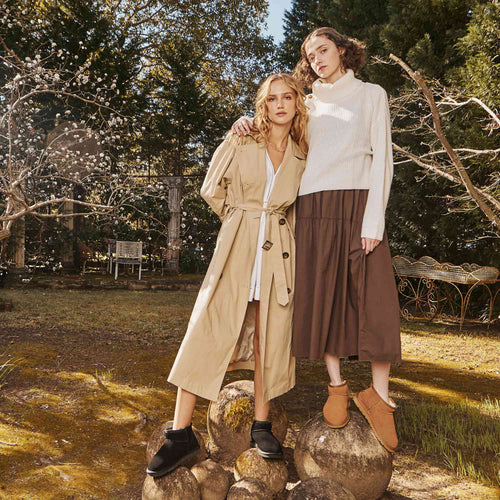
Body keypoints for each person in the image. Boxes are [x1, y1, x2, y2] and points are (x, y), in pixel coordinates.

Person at [232, 27, 401, 453]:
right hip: (311, 209)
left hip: (359, 203)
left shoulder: (371, 95)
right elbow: (274, 129)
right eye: (310, 56)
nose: (316, 60)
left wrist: (373, 221)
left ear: (343, 50)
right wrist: (247, 122)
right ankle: (338, 387)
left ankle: (379, 397)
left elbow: (383, 160)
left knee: (376, 300)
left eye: (323, 51)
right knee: (323, 298)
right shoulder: (306, 103)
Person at [146, 73, 308, 478]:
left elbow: (297, 208)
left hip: (278, 258)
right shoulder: (242, 138)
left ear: (297, 104)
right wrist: (240, 220)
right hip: (237, 250)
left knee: (269, 339)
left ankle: (261, 427)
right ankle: (180, 433)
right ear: (263, 104)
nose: (281, 105)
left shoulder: (305, 152)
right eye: (273, 99)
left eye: (288, 97)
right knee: (206, 331)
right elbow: (210, 188)